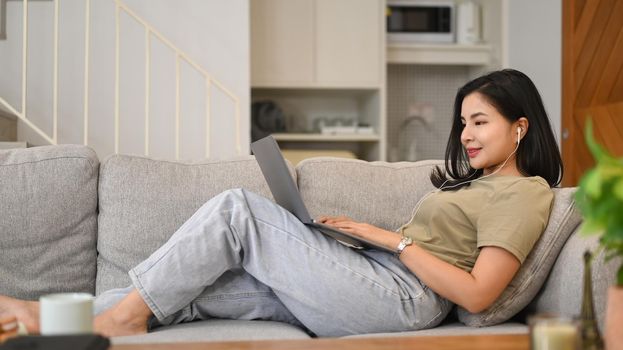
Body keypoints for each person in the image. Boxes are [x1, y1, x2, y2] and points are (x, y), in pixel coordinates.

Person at [0, 69, 563, 339]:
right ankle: (54, 318)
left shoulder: (525, 193)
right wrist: (360, 241)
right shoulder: (479, 185)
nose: (466, 134)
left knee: (237, 211)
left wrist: (392, 238)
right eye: (463, 122)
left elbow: (479, 292)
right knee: (206, 284)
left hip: (404, 301)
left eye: (480, 122)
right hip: (378, 274)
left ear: (520, 127)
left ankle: (117, 320)